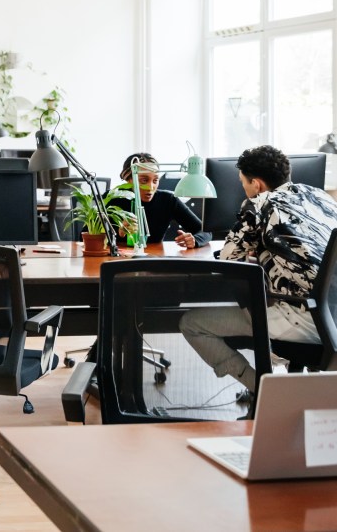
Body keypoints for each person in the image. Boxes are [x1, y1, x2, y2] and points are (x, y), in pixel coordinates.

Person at [180, 145, 337, 391]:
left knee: (191, 323)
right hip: (332, 316)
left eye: (243, 183)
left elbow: (228, 259)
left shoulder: (259, 204)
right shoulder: (320, 197)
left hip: (303, 318)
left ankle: (265, 391)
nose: (243, 189)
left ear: (256, 184)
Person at [111, 152, 211, 249]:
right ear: (129, 179)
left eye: (155, 180)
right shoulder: (112, 200)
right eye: (144, 180)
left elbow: (205, 231)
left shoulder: (168, 200)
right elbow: (101, 238)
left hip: (155, 256)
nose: (150, 187)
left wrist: (194, 240)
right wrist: (119, 232)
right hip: (119, 258)